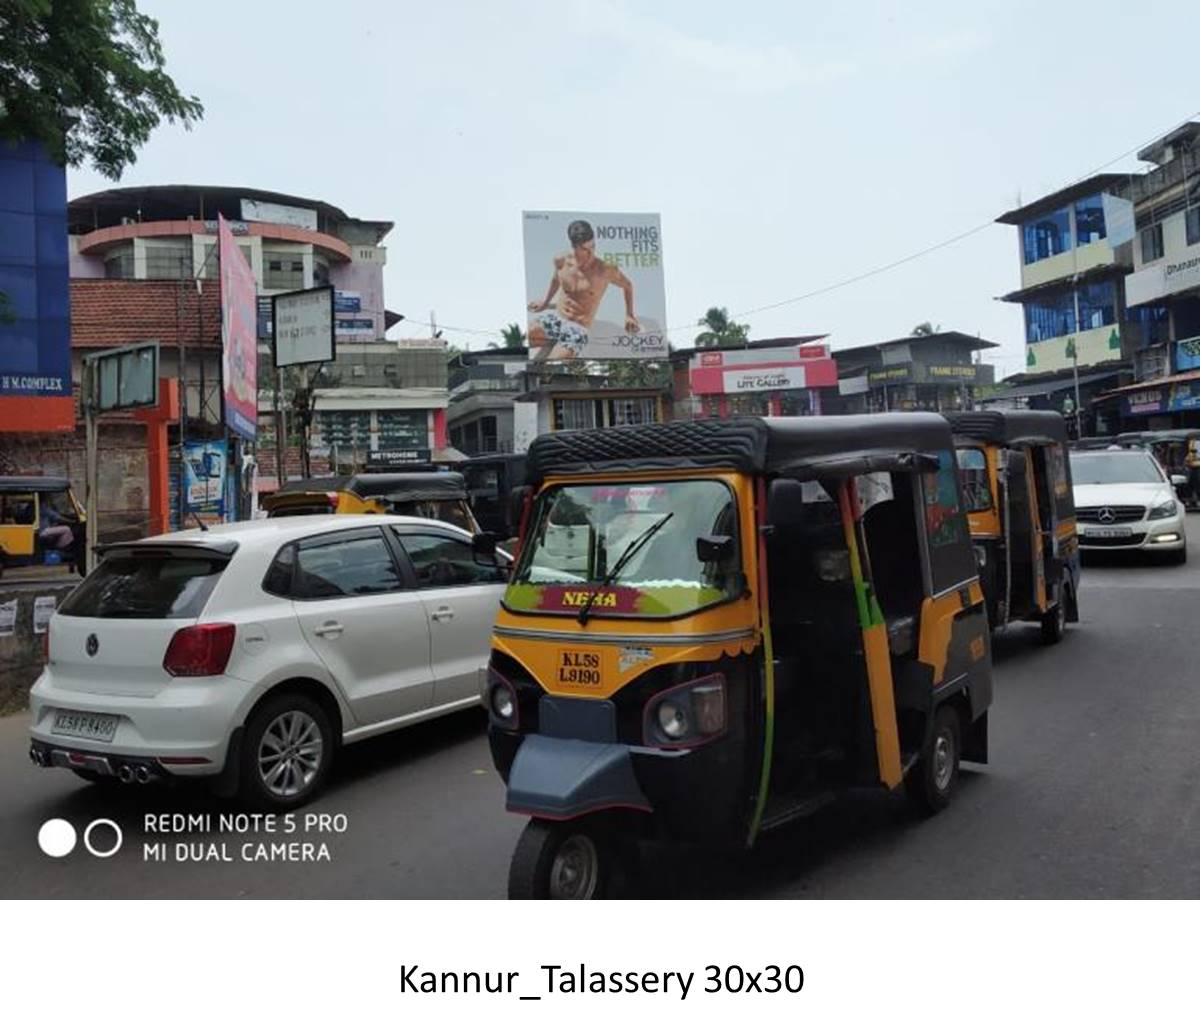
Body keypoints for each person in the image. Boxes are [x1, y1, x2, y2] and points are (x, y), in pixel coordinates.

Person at [527, 219, 641, 361]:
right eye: (585, 250)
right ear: (574, 247)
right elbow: (556, 280)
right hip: (557, 319)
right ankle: (553, 342)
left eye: (593, 247)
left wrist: (629, 314)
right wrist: (545, 302)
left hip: (578, 328)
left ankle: (559, 350)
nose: (591, 253)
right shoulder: (561, 260)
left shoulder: (605, 270)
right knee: (525, 337)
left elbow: (628, 286)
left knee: (550, 364)